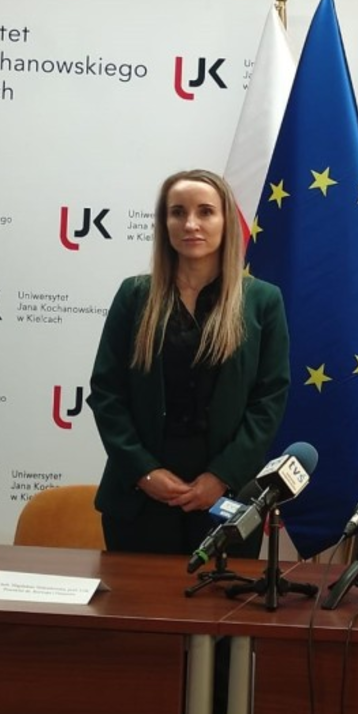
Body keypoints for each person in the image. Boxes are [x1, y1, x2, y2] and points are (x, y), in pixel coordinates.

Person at [89, 169, 290, 557]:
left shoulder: (263, 301)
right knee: (136, 598)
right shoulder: (134, 296)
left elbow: (269, 401)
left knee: (221, 598)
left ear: (226, 221)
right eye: (177, 212)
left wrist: (221, 477)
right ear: (164, 223)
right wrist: (144, 472)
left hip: (226, 500)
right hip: (139, 498)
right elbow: (106, 393)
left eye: (205, 212)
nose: (191, 224)